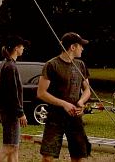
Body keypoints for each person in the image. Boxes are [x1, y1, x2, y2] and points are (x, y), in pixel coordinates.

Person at [37, 32, 91, 162]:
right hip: (55, 118)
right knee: (47, 158)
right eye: (80, 46)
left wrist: (81, 101)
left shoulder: (81, 65)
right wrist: (64, 104)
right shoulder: (51, 65)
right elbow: (41, 93)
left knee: (78, 156)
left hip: (75, 117)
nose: (82, 48)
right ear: (72, 47)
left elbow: (87, 89)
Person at [0, 36, 29, 162]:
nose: (23, 48)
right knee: (9, 147)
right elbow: (12, 93)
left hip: (7, 111)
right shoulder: (10, 67)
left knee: (14, 147)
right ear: (16, 48)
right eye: (22, 46)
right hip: (10, 112)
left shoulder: (6, 64)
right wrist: (20, 113)